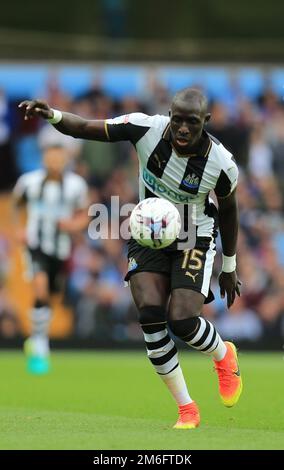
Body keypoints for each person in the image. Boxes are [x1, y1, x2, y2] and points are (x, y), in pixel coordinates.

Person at [19, 88, 242, 428]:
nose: (182, 129)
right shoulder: (145, 128)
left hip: (192, 237)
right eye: (177, 120)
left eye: (192, 123)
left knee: (182, 320)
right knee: (150, 315)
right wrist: (53, 115)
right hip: (148, 232)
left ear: (205, 122)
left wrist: (229, 265)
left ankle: (223, 355)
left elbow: (228, 210)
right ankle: (186, 408)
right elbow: (85, 128)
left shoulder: (221, 163)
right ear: (169, 114)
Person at [13, 144, 89, 374]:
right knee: (40, 288)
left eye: (58, 158)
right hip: (35, 244)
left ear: (65, 160)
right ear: (44, 159)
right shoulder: (29, 182)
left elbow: (85, 213)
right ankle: (40, 345)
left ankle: (36, 337)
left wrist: (74, 225)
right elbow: (16, 207)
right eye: (50, 158)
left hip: (61, 249)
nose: (54, 162)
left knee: (51, 296)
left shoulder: (76, 185)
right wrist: (19, 229)